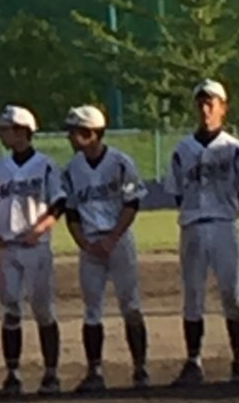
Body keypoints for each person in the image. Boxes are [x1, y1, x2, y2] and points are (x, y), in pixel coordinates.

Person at [166, 79, 239, 386]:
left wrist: (226, 207)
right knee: (193, 296)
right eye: (201, 103)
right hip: (191, 226)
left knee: (232, 294)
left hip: (224, 225)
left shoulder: (234, 148)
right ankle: (193, 360)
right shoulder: (182, 149)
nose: (205, 109)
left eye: (211, 103)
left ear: (223, 108)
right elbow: (177, 191)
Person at [0, 105, 65, 397]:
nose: (2, 134)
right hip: (6, 248)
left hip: (36, 247)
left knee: (43, 310)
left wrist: (40, 229)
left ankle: (51, 373)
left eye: (6, 128)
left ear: (22, 131)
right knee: (11, 310)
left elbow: (58, 204)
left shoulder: (46, 165)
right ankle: (13, 375)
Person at [60, 105, 148, 391]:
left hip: (119, 241)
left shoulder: (121, 162)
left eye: (75, 132)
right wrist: (84, 242)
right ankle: (94, 371)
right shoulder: (72, 169)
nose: (71, 137)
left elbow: (132, 204)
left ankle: (140, 368)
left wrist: (112, 237)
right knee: (92, 309)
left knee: (130, 305)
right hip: (90, 243)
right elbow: (71, 212)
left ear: (91, 133)